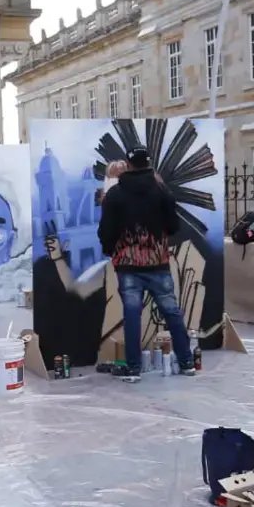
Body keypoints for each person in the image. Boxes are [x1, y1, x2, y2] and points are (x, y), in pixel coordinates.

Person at [97, 146, 194, 382]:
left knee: (131, 315)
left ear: (128, 165)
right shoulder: (162, 192)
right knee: (171, 312)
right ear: (149, 163)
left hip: (127, 265)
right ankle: (186, 362)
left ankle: (133, 369)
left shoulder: (116, 195)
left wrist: (112, 251)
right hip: (157, 263)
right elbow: (173, 226)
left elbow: (106, 231)